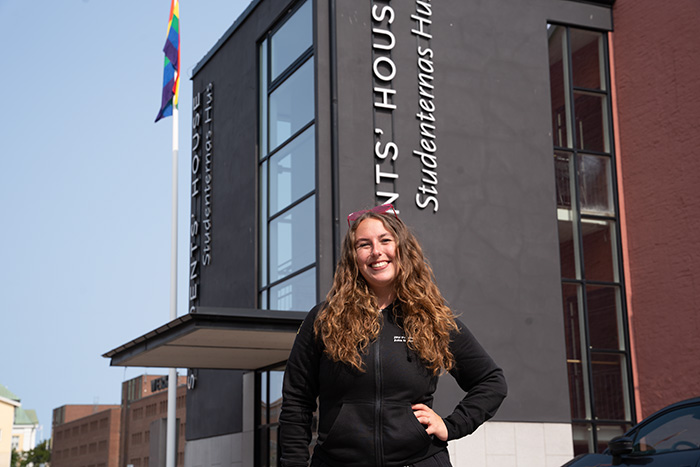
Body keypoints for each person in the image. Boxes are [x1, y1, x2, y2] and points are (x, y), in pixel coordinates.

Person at [279, 204, 507, 467]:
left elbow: (492, 382)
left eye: (385, 240)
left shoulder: (432, 319)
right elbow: (297, 400)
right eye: (364, 244)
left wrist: (451, 425)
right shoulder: (324, 319)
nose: (376, 251)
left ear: (402, 249)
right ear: (353, 257)